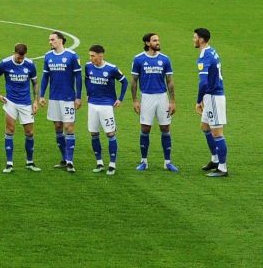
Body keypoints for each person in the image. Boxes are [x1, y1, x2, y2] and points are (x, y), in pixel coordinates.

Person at [131, 32, 178, 172]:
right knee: (145, 129)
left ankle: (167, 162)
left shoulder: (165, 59)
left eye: (158, 40)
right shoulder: (138, 59)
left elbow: (169, 81)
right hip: (146, 97)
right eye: (155, 40)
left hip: (162, 97)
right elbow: (134, 81)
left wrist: (172, 101)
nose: (158, 42)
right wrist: (135, 100)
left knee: (165, 128)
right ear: (147, 43)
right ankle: (144, 161)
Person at [0, 42, 40, 173]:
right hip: (11, 102)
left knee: (30, 133)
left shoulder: (30, 64)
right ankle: (9, 163)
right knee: (9, 131)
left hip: (26, 103)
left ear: (25, 54)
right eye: (18, 57)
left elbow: (35, 82)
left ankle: (30, 162)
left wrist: (35, 101)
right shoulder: (5, 63)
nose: (20, 59)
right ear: (14, 53)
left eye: (22, 57)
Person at [83, 45, 129, 175]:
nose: (90, 58)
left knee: (110, 134)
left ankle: (112, 164)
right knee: (94, 133)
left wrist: (120, 99)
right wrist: (87, 93)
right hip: (92, 104)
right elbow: (86, 79)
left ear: (100, 56)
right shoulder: (88, 66)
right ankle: (99, 163)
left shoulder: (111, 69)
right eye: (90, 55)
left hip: (106, 106)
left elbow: (125, 82)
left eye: (93, 56)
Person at [40, 31, 81, 172]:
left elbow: (79, 77)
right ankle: (64, 159)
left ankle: (70, 161)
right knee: (58, 127)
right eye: (49, 40)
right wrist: (41, 95)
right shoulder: (48, 56)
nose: (50, 42)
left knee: (69, 127)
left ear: (61, 41)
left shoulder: (71, 56)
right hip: (54, 98)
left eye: (52, 39)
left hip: (68, 98)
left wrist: (78, 96)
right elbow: (45, 77)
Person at [194, 27, 228, 177]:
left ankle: (223, 168)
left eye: (194, 37)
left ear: (201, 39)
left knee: (217, 133)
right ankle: (214, 159)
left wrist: (198, 100)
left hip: (213, 96)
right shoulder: (211, 50)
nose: (193, 40)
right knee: (205, 126)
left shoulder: (204, 56)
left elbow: (203, 83)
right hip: (211, 96)